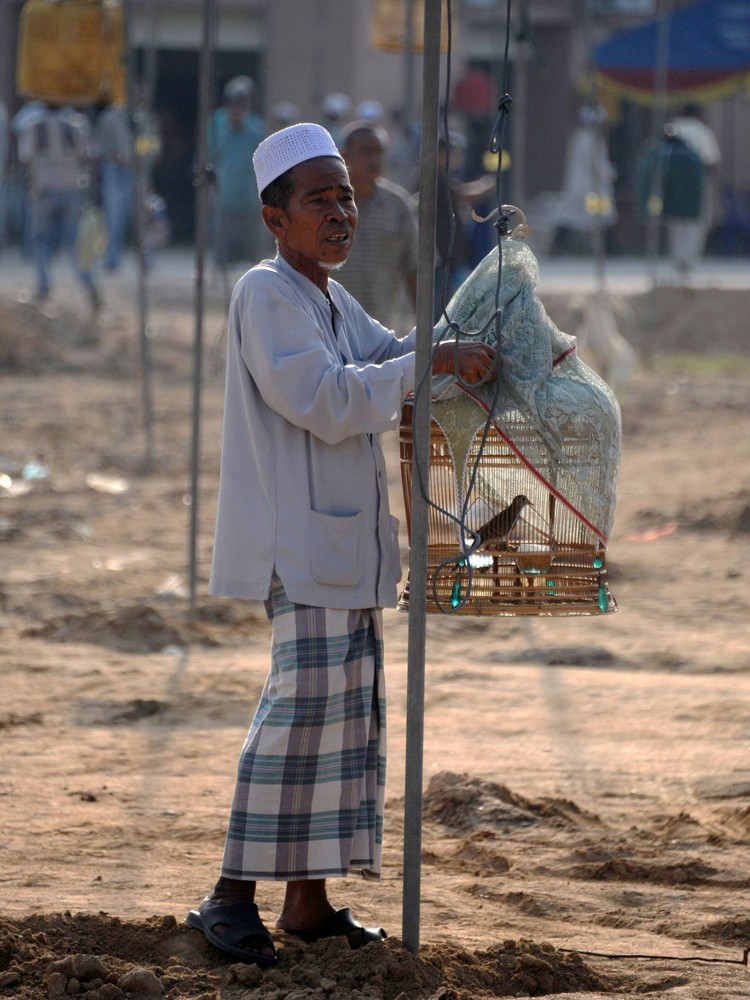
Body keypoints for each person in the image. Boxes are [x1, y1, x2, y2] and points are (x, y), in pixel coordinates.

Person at [185, 122, 496, 967]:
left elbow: (385, 351)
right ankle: (228, 895)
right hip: (302, 548)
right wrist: (428, 364)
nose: (340, 213)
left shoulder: (324, 293)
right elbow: (323, 398)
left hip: (348, 552)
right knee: (296, 719)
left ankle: (309, 904)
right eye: (319, 199)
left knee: (345, 726)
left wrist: (450, 340)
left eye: (346, 197)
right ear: (274, 217)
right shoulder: (266, 293)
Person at [16, 102, 101, 311]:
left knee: (40, 240)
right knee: (74, 243)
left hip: (44, 190)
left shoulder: (32, 125)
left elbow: (24, 157)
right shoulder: (76, 125)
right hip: (71, 189)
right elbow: (87, 156)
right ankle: (87, 284)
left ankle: (43, 287)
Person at [336, 119, 418, 332]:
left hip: (381, 334)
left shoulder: (398, 205)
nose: (375, 159)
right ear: (345, 156)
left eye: (379, 152)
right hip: (333, 332)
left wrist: (426, 329)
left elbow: (414, 269)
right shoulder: (327, 205)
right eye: (365, 152)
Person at [209, 76, 265, 268]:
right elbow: (206, 153)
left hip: (248, 192)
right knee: (222, 233)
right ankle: (220, 267)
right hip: (223, 190)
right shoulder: (216, 124)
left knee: (247, 233)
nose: (236, 109)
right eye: (233, 103)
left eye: (241, 104)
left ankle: (249, 265)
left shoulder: (255, 127)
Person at [553, 103, 617, 256]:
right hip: (592, 190)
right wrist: (610, 172)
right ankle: (604, 249)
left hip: (582, 188)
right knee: (598, 219)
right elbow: (597, 164)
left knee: (580, 219)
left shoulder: (580, 137)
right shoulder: (591, 140)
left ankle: (562, 246)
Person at [665, 104, 721, 274]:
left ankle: (678, 259)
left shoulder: (670, 128)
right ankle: (689, 260)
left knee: (675, 222)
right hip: (697, 182)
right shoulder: (703, 131)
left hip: (672, 183)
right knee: (696, 222)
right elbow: (712, 161)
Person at [93, 100, 135, 270]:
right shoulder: (108, 118)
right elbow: (97, 146)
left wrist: (140, 156)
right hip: (113, 171)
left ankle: (146, 259)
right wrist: (112, 155)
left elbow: (151, 143)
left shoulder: (141, 117)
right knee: (114, 216)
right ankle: (111, 258)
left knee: (140, 216)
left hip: (136, 172)